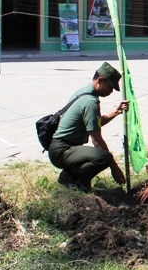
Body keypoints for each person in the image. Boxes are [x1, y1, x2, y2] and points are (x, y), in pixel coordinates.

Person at [48, 62, 129, 192]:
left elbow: (93, 123)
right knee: (104, 157)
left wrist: (115, 112)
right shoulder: (90, 102)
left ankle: (81, 184)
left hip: (60, 147)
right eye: (110, 87)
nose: (111, 91)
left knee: (99, 156)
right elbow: (96, 140)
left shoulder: (83, 92)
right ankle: (69, 177)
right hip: (62, 151)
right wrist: (115, 168)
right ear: (100, 81)